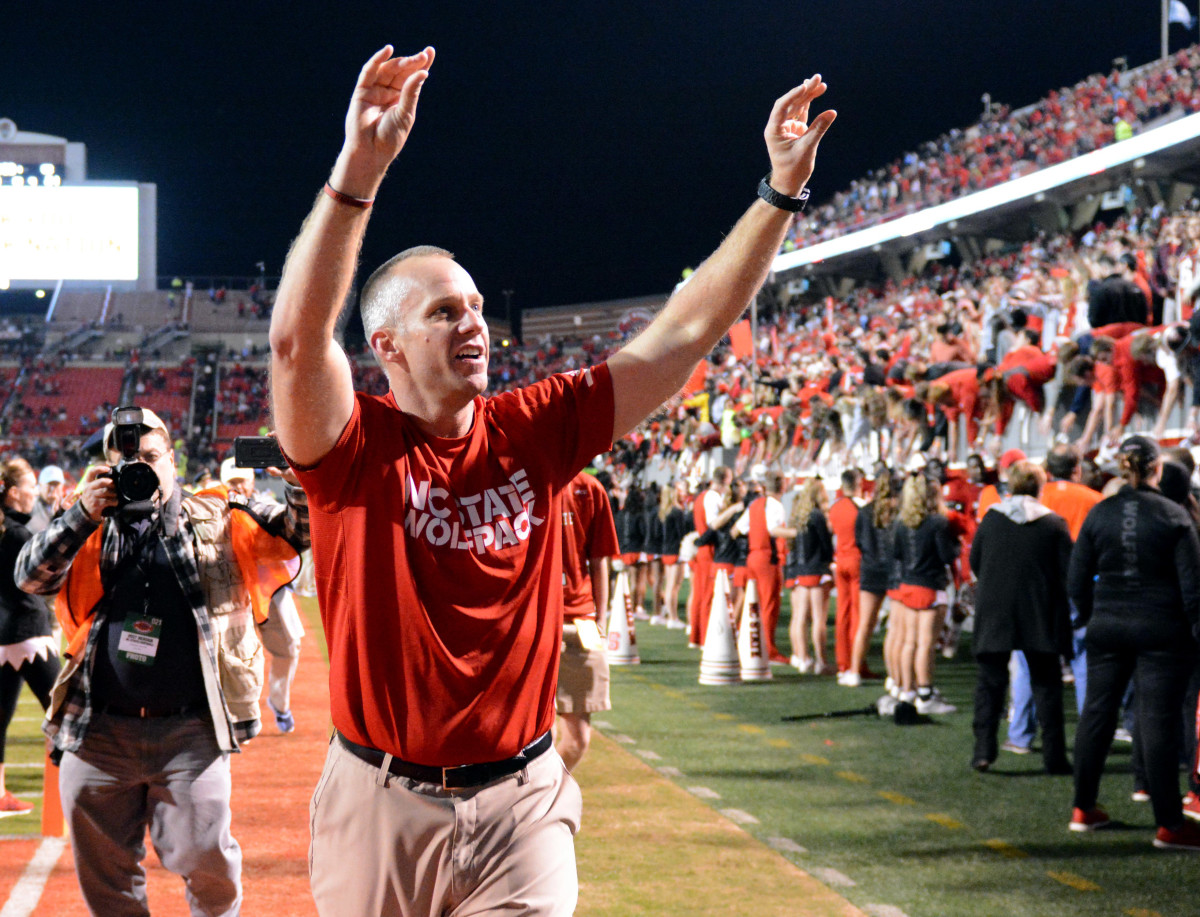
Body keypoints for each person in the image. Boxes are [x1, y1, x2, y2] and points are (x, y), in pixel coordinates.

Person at [267, 45, 834, 916]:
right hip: (379, 799)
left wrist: (779, 195)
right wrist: (359, 172)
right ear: (386, 347)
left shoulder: (536, 426)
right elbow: (299, 343)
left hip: (521, 798)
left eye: (479, 308)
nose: (475, 324)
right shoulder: (353, 447)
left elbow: (681, 335)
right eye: (445, 311)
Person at [15, 407, 309, 914]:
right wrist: (81, 514)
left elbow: (294, 533)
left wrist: (300, 485)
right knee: (106, 881)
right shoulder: (86, 522)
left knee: (210, 864)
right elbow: (30, 578)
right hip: (97, 732)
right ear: (105, 469)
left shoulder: (216, 514)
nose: (141, 471)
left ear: (172, 461)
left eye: (150, 457)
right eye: (126, 461)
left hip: (190, 734)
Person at [1067, 435, 1200, 850]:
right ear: (1157, 467)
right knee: (1158, 720)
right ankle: (1170, 825)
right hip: (1162, 629)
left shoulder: (1100, 512)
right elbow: (1193, 588)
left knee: (1097, 714)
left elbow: (1076, 581)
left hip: (1108, 625)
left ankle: (1083, 808)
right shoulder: (1174, 515)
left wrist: (1092, 614)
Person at [968, 461, 1073, 775]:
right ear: (1040, 488)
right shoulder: (1054, 524)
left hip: (995, 610)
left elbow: (976, 561)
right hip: (1040, 611)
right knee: (1047, 685)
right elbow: (1068, 572)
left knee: (990, 684)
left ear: (1010, 486)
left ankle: (983, 750)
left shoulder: (991, 520)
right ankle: (1054, 756)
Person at [220, 456, 306, 735]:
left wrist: (295, 486)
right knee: (225, 654)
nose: (237, 488)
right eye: (231, 482)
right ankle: (227, 712)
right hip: (228, 595)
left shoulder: (262, 506)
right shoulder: (213, 509)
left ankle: (279, 704)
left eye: (241, 481)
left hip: (268, 589)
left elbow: (298, 531)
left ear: (252, 481)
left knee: (289, 647)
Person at [0, 457, 61, 816]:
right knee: (66, 712)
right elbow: (50, 568)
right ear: (13, 492)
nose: (35, 493)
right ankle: (84, 790)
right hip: (30, 634)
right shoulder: (19, 535)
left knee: (0, 720)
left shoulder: (9, 530)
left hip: (5, 636)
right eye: (31, 487)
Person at [556, 471, 618, 771]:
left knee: (578, 739)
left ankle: (547, 799)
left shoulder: (590, 489)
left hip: (583, 620)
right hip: (532, 620)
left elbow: (599, 560)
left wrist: (601, 620)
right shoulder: (519, 480)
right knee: (531, 737)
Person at [890, 471, 960, 714]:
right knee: (926, 645)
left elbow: (896, 554)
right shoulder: (937, 522)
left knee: (909, 642)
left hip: (907, 585)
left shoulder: (901, 523)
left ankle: (907, 691)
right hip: (930, 586)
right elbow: (947, 556)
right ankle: (925, 694)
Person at [732, 470, 794, 665]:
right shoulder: (776, 505)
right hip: (768, 557)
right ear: (782, 486)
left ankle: (744, 642)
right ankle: (768, 650)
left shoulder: (754, 505)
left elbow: (735, 531)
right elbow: (774, 529)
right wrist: (797, 532)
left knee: (753, 603)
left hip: (752, 556)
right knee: (769, 605)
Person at [852, 469, 898, 692]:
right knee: (896, 628)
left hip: (870, 569)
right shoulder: (898, 511)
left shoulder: (865, 511)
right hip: (893, 571)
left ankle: (853, 672)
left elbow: (859, 541)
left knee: (865, 625)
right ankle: (894, 675)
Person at [784, 478, 833, 674]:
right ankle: (821, 661)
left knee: (799, 617)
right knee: (818, 619)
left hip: (800, 571)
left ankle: (803, 658)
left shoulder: (798, 516)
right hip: (817, 570)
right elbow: (826, 545)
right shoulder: (817, 516)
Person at [828, 468, 864, 683]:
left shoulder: (835, 507)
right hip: (857, 560)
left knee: (842, 613)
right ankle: (856, 663)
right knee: (858, 614)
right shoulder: (859, 506)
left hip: (840, 559)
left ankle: (843, 663)